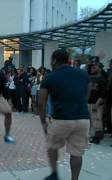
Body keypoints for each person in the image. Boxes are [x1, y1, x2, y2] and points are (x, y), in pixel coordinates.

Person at [39, 49, 90, 180]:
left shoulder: (49, 77)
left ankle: (54, 174)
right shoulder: (83, 74)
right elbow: (87, 95)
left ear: (54, 61)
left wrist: (43, 122)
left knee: (52, 146)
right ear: (68, 60)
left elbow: (41, 103)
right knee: (77, 153)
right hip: (83, 119)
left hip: (61, 119)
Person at [88, 63, 107, 144]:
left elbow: (103, 94)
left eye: (94, 67)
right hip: (90, 102)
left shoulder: (102, 80)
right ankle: (94, 135)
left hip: (97, 103)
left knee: (97, 120)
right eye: (92, 67)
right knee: (92, 121)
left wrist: (97, 104)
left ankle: (97, 137)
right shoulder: (91, 78)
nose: (92, 68)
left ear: (99, 68)